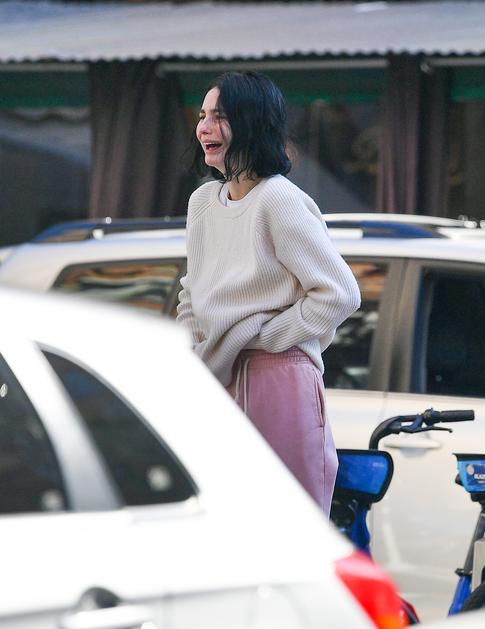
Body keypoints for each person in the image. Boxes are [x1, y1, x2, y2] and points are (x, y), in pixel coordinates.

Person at [177, 71, 360, 514]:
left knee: (287, 523)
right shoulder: (202, 203)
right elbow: (190, 294)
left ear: (252, 123)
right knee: (223, 524)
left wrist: (263, 337)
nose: (204, 128)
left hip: (278, 376)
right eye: (202, 116)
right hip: (214, 375)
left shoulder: (278, 199)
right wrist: (192, 349)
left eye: (220, 116)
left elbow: (339, 294)